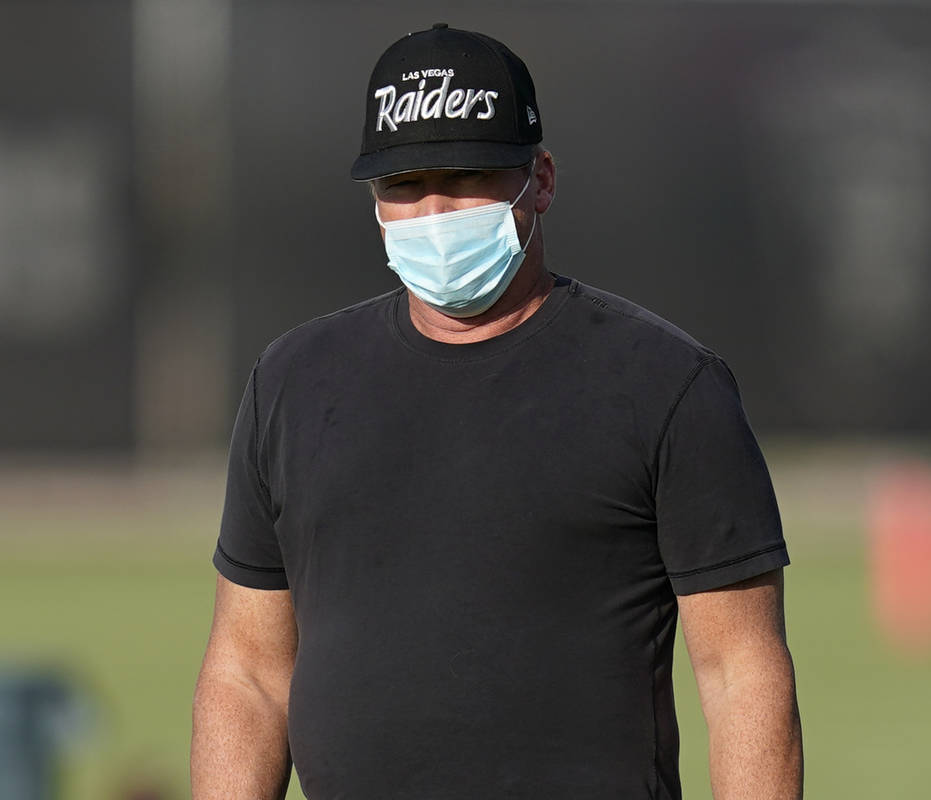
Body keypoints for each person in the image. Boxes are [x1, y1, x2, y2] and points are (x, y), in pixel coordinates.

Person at [191, 23, 802, 799]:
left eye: (469, 177)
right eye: (403, 187)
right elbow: (249, 673)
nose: (435, 211)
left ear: (540, 179)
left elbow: (741, 672)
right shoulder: (292, 383)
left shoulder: (665, 385)